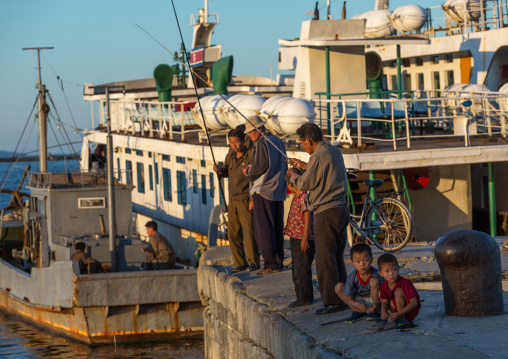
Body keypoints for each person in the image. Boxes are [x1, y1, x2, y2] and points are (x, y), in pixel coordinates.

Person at [287, 123, 349, 315]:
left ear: (309, 141)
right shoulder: (333, 151)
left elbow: (307, 183)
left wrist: (293, 175)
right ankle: (344, 295)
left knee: (324, 259)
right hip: (342, 209)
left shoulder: (317, 156)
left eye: (302, 143)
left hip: (326, 212)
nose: (302, 146)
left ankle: (331, 302)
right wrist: (304, 165)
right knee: (337, 256)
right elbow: (322, 172)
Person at [243, 115, 288, 275]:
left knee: (264, 229)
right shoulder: (277, 140)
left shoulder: (261, 142)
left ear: (259, 129)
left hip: (264, 190)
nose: (249, 135)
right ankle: (278, 261)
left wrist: (248, 172)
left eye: (251, 132)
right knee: (276, 227)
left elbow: (260, 167)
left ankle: (270, 265)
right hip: (278, 190)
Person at [213, 128, 260, 273]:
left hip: (246, 198)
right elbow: (227, 172)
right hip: (232, 199)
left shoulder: (251, 156)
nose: (234, 145)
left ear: (242, 141)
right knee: (232, 232)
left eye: (236, 142)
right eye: (231, 142)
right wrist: (220, 170)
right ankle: (240, 263)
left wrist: (253, 200)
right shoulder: (230, 156)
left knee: (248, 232)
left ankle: (254, 262)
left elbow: (256, 179)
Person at [284, 174, 315, 307]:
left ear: (293, 184)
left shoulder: (303, 198)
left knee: (302, 270)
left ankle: (305, 298)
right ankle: (300, 297)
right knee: (296, 269)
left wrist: (304, 238)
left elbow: (307, 218)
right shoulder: (297, 197)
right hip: (295, 237)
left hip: (302, 239)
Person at [335, 243, 383, 322]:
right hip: (360, 302)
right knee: (339, 287)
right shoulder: (352, 277)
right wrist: (357, 305)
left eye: (366, 260)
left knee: (374, 281)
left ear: (372, 260)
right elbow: (349, 299)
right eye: (358, 261)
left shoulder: (377, 273)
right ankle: (359, 312)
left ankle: (376, 312)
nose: (362, 264)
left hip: (376, 301)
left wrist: (378, 304)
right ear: (353, 263)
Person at [377, 253, 421, 330]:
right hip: (396, 311)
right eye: (387, 271)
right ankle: (393, 318)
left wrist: (399, 314)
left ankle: (402, 320)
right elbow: (384, 303)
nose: (391, 274)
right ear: (380, 273)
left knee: (398, 291)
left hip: (409, 312)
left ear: (398, 268)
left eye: (394, 269)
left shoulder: (404, 283)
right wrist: (383, 312)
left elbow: (414, 303)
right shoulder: (383, 285)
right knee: (383, 296)